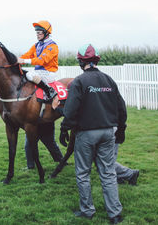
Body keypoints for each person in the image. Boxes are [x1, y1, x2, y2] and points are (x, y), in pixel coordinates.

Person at [60, 44, 127, 224]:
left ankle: (87, 211)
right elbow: (121, 107)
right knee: (108, 173)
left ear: (81, 62)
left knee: (83, 173)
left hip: (86, 134)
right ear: (95, 60)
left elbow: (71, 110)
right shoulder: (109, 80)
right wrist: (121, 129)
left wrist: (64, 128)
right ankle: (115, 214)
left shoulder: (79, 82)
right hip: (108, 133)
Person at [17, 20, 58, 102]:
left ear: (46, 33)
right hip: (39, 72)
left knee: (29, 75)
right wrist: (16, 60)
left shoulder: (53, 46)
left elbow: (42, 60)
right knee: (23, 73)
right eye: (37, 33)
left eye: (39, 33)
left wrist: (23, 60)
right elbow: (27, 55)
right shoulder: (36, 45)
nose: (37, 35)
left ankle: (49, 91)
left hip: (49, 72)